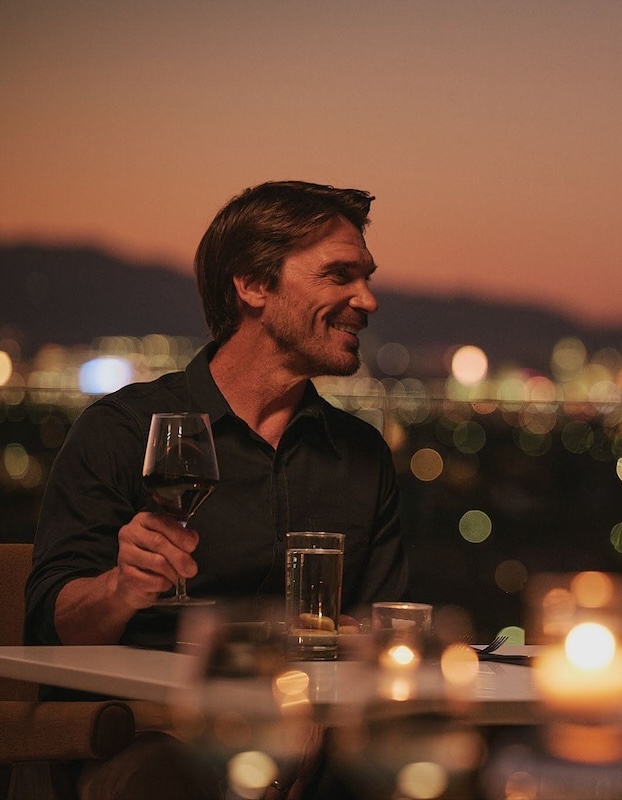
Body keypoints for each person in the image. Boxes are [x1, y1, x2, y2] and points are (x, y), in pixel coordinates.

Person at [21, 180, 407, 799]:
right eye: (340, 275)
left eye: (366, 277)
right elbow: (49, 627)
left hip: (317, 749)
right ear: (252, 284)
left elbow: (381, 629)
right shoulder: (122, 430)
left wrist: (328, 684)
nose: (368, 299)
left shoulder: (360, 455)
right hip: (149, 745)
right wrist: (121, 587)